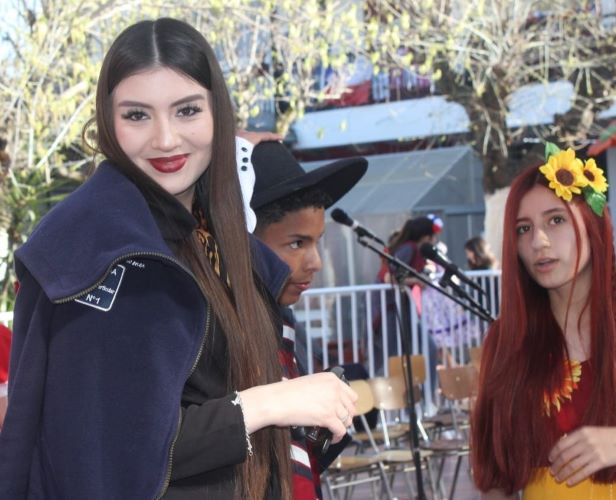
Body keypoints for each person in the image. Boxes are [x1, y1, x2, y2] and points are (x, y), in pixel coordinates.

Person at [0, 18, 357, 500]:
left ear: (218, 114)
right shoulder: (92, 247)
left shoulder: (219, 236)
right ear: (107, 121)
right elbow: (104, 456)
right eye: (137, 115)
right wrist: (270, 403)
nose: (165, 139)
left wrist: (307, 406)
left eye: (187, 110)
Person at [471, 146, 616, 499]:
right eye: (523, 228)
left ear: (593, 225)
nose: (538, 241)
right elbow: (496, 483)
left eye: (556, 220)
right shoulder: (507, 340)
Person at [246, 139, 367, 497]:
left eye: (317, 242)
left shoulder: (283, 328)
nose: (315, 262)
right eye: (297, 244)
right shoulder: (226, 334)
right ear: (244, 240)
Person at [372, 215, 441, 381]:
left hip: (402, 308)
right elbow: (390, 277)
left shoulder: (411, 249)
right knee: (395, 355)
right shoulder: (409, 249)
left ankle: (421, 393)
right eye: (433, 236)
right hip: (391, 308)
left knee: (414, 351)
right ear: (426, 237)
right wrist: (417, 280)